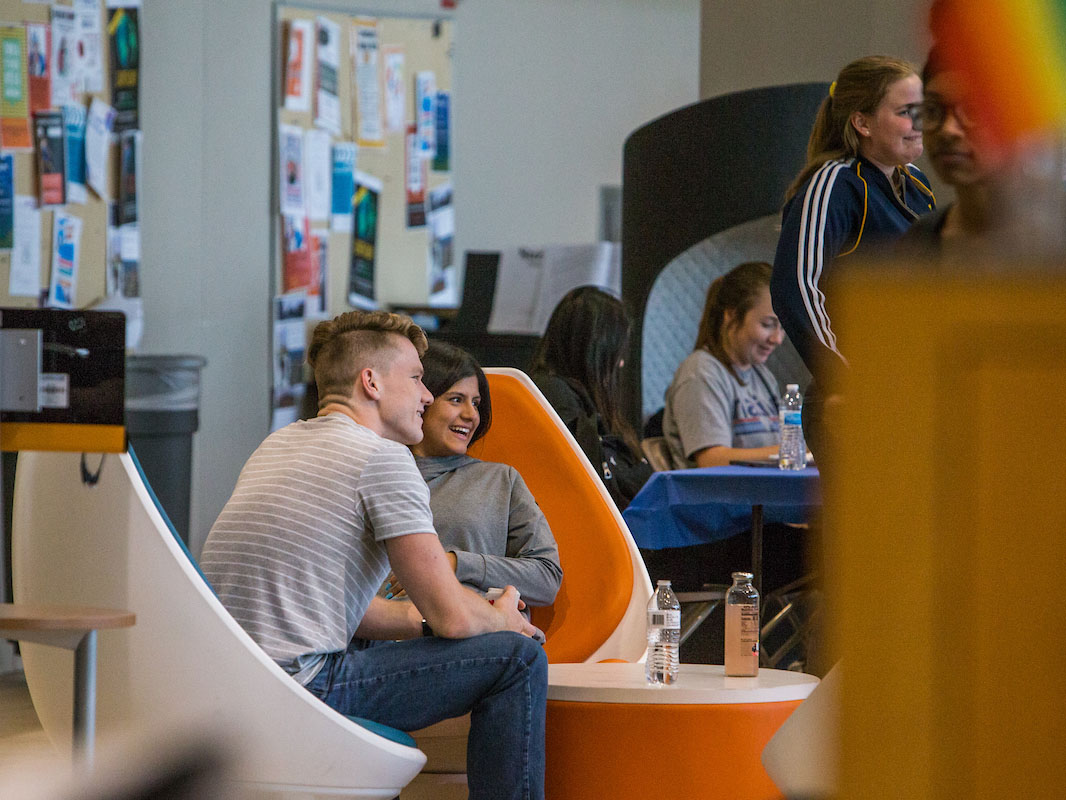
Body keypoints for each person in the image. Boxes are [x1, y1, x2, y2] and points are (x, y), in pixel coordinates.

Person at [200, 310, 547, 800]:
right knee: (518, 658)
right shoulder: (381, 458)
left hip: (230, 687)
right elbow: (450, 616)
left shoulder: (277, 445)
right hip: (305, 691)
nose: (426, 396)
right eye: (417, 379)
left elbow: (344, 608)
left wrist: (430, 620)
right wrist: (503, 620)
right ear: (372, 382)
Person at [771, 55, 936, 461]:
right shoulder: (835, 183)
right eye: (905, 112)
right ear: (862, 123)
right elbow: (796, 288)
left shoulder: (917, 186)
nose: (921, 122)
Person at [387, 340, 562, 608]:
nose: (471, 415)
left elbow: (546, 579)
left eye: (477, 404)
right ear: (421, 400)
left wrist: (455, 563)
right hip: (382, 637)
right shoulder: (376, 474)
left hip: (476, 639)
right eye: (456, 400)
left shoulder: (501, 480)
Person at [528, 286, 652, 511]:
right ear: (596, 352)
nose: (621, 363)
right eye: (616, 354)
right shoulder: (559, 399)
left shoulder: (551, 392)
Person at [661, 262, 784, 470]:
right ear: (731, 315)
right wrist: (789, 454)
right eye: (767, 325)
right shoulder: (701, 372)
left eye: (782, 327)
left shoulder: (762, 375)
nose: (777, 338)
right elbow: (712, 460)